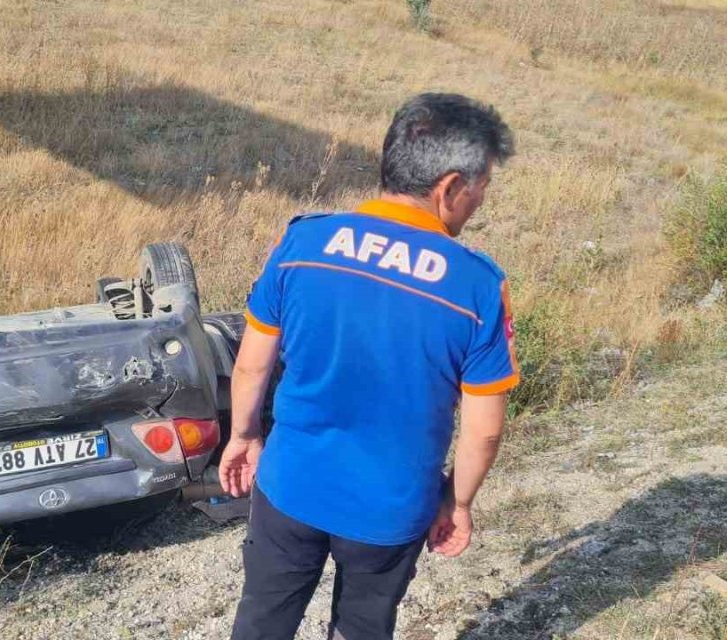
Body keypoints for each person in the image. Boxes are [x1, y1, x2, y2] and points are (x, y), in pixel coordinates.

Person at [220, 92, 518, 640]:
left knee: (261, 618)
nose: (480, 203)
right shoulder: (476, 285)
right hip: (390, 508)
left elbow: (251, 367)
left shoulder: (303, 241)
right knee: (363, 626)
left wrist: (243, 434)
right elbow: (486, 429)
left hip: (290, 487)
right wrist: (458, 500)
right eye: (481, 189)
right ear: (450, 187)